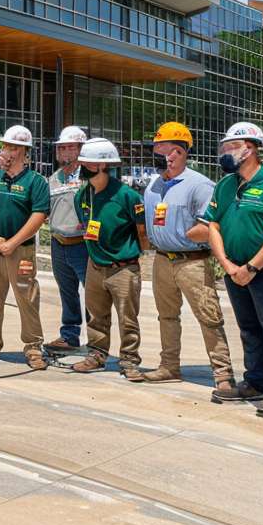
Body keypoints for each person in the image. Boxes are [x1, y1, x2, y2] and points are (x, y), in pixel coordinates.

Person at [201, 122, 263, 417]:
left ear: (251, 149)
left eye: (232, 147)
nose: (226, 152)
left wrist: (252, 267)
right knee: (248, 328)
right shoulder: (225, 185)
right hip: (234, 270)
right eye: (225, 147)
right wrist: (229, 265)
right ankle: (254, 382)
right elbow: (213, 225)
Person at [140, 122, 237, 397]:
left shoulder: (200, 185)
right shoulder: (154, 186)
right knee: (167, 316)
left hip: (192, 262)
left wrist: (193, 233)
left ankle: (222, 374)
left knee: (208, 316)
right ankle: (169, 366)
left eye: (171, 150)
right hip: (161, 260)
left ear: (183, 152)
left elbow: (213, 225)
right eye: (159, 149)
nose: (165, 155)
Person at [70, 138, 149, 380]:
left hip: (123, 268)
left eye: (87, 163)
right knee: (96, 315)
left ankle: (129, 360)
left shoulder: (127, 196)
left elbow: (142, 232)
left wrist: (136, 258)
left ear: (102, 166)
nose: (81, 166)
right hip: (95, 265)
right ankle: (96, 354)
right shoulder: (83, 196)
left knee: (128, 318)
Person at [0, 124, 50, 368]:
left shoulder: (36, 181)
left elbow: (38, 216)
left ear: (23, 152)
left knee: (27, 299)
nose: (7, 151)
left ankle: (33, 348)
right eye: (6, 146)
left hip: (22, 251)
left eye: (13, 147)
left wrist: (13, 243)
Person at [44, 125, 89, 353]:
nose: (63, 151)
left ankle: (98, 340)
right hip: (58, 243)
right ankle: (70, 335)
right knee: (66, 291)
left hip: (82, 245)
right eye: (61, 147)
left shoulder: (89, 177)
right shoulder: (54, 179)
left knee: (92, 293)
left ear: (81, 149)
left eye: (69, 147)